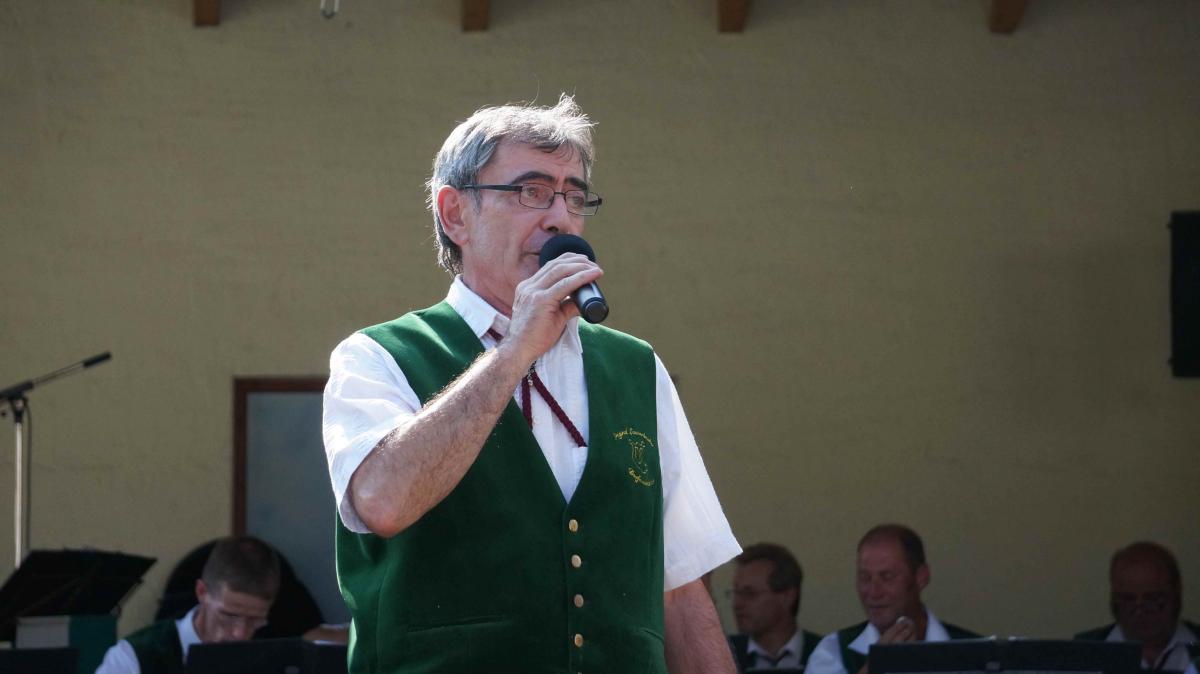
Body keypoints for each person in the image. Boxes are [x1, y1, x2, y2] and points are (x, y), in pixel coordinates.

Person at [322, 94, 741, 673]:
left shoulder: (636, 368)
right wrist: (514, 350)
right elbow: (382, 502)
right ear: (454, 214)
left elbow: (680, 590)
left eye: (574, 196)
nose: (560, 219)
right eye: (531, 191)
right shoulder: (377, 357)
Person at [806, 524, 979, 674]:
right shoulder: (834, 651)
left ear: (921, 577)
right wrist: (876, 666)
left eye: (887, 577)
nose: (874, 592)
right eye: (865, 577)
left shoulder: (974, 653)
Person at [94, 536, 280, 674]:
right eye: (229, 615)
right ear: (202, 592)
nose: (240, 634)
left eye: (255, 620)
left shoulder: (275, 661)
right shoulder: (135, 657)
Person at [1075, 541, 1198, 671]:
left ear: (1176, 592)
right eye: (1128, 599)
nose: (1140, 611)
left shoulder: (1195, 645)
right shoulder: (1081, 653)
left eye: (1152, 599)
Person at [728, 543, 821, 671]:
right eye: (736, 593)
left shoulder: (827, 654)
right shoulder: (723, 653)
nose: (737, 604)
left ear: (787, 597)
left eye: (750, 593)